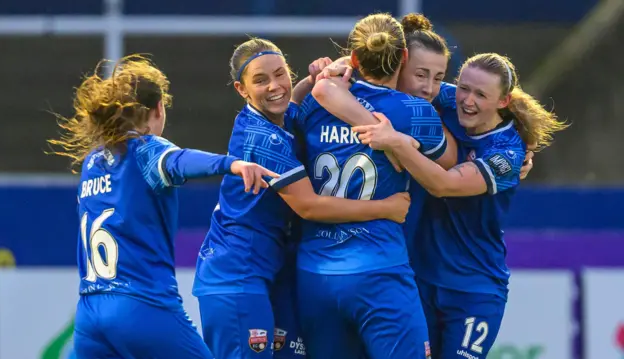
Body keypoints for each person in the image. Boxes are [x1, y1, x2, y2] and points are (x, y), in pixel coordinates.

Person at [191, 38, 411, 359]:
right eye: (260, 80)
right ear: (241, 89)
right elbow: (309, 205)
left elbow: (289, 103)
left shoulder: (276, 118)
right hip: (236, 276)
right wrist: (385, 208)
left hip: (270, 271)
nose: (275, 86)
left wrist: (318, 77)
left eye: (280, 74)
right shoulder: (261, 138)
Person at [48, 54, 277, 359]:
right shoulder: (145, 149)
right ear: (158, 108)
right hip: (141, 306)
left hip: (90, 314)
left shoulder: (93, 162)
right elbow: (178, 161)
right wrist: (231, 163)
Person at [351, 52, 568, 359]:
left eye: (481, 94)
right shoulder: (448, 99)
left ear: (503, 102)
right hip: (419, 279)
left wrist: (398, 143)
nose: (467, 100)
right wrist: (339, 68)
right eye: (463, 87)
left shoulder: (506, 153)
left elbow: (444, 185)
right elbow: (389, 81)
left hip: (474, 290)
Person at [295, 13, 454, 359]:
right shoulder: (413, 112)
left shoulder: (314, 103)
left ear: (353, 57)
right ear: (404, 58)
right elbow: (450, 161)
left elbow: (291, 118)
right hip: (379, 273)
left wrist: (326, 76)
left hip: (314, 274)